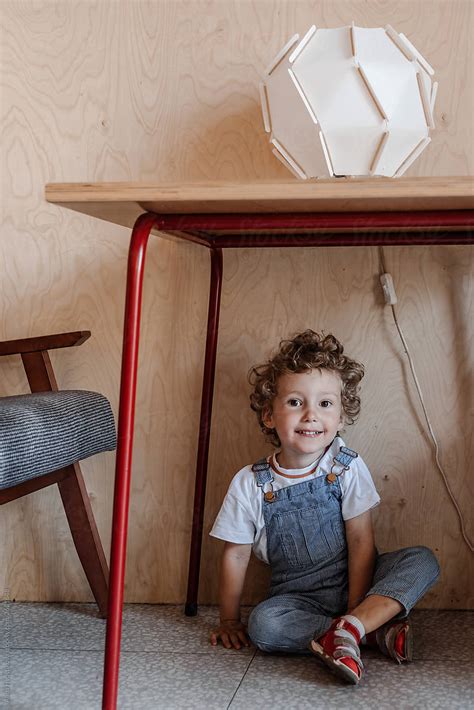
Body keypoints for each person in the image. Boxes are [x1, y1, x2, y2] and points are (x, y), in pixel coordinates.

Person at [209, 330, 440, 684]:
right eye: (295, 402)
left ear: (342, 417)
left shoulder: (345, 466)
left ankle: (353, 625)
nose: (311, 415)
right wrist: (228, 620)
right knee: (264, 625)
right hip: (298, 600)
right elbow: (236, 555)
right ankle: (370, 633)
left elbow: (362, 541)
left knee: (422, 560)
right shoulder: (251, 483)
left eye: (325, 404)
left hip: (361, 581)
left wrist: (354, 605)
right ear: (269, 415)